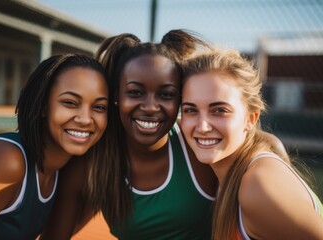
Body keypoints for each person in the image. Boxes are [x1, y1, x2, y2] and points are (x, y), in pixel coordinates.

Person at [41, 30, 288, 240]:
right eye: (135, 93)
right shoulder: (93, 162)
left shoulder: (200, 149)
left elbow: (269, 146)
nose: (150, 107)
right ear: (116, 96)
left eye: (166, 95)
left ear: (180, 100)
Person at [180, 47, 323, 239]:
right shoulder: (226, 173)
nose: (203, 127)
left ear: (250, 119)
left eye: (219, 110)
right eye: (190, 110)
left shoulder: (256, 185)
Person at [0, 53, 109, 240]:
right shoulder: (7, 160)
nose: (85, 119)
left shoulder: (64, 173)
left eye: (99, 107)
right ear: (42, 105)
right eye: (70, 103)